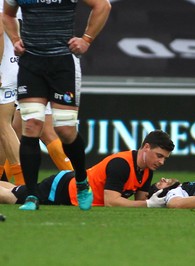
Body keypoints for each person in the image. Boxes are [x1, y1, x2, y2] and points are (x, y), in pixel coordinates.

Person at [2, 0, 112, 211]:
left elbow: (103, 5)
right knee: (31, 125)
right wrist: (15, 39)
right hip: (30, 63)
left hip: (63, 64)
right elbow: (7, 15)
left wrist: (86, 39)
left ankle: (81, 180)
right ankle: (32, 195)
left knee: (65, 130)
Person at [0, 130, 175, 208]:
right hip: (63, 190)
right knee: (12, 198)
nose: (161, 162)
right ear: (146, 147)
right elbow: (111, 202)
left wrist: (156, 199)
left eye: (165, 159)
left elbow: (140, 202)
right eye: (159, 155)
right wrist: (149, 205)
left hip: (71, 187)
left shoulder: (146, 171)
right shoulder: (121, 164)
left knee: (18, 190)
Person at [0, 3, 24, 185]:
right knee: (3, 126)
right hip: (13, 65)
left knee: (3, 126)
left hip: (4, 68)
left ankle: (25, 185)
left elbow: (0, 31)